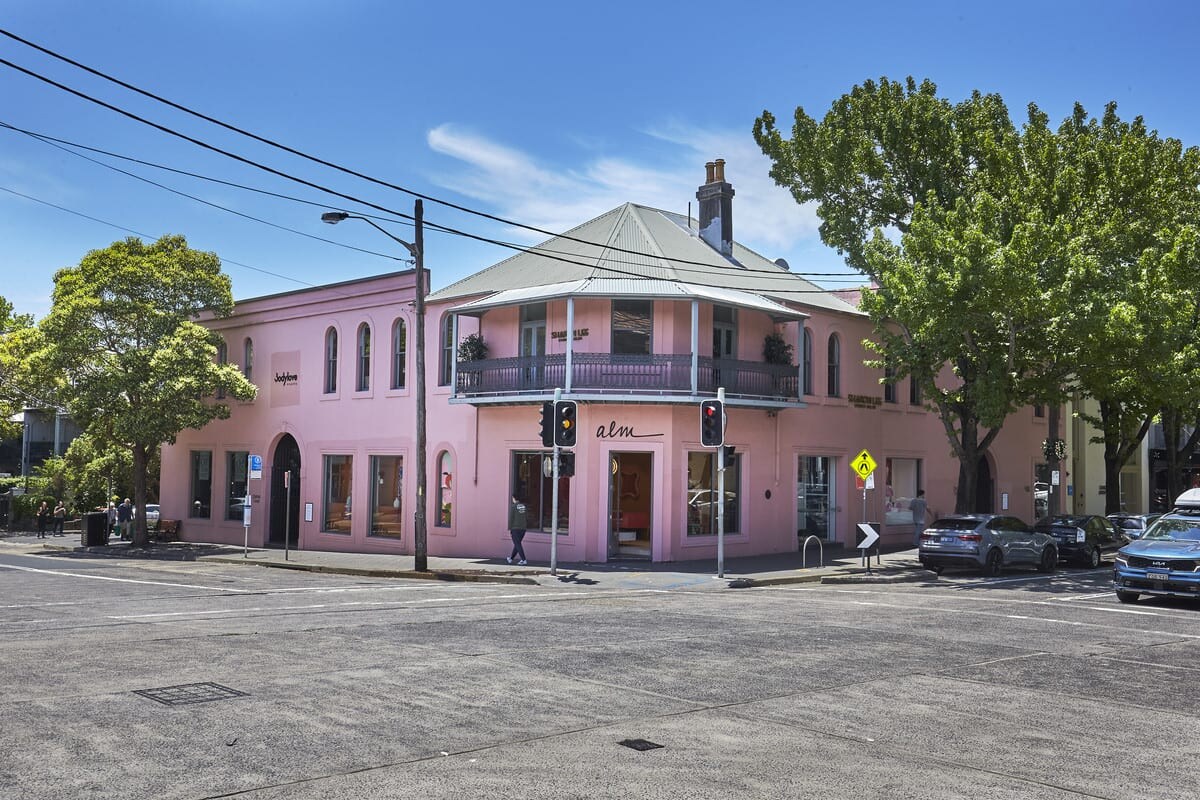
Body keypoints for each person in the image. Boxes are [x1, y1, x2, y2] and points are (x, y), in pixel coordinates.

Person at [507, 496, 528, 565]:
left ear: (514, 498)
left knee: (518, 544)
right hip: (523, 529)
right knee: (517, 544)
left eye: (512, 498)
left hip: (515, 529)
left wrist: (510, 528)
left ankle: (523, 559)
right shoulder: (524, 506)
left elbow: (511, 518)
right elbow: (526, 516)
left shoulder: (514, 507)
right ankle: (511, 559)